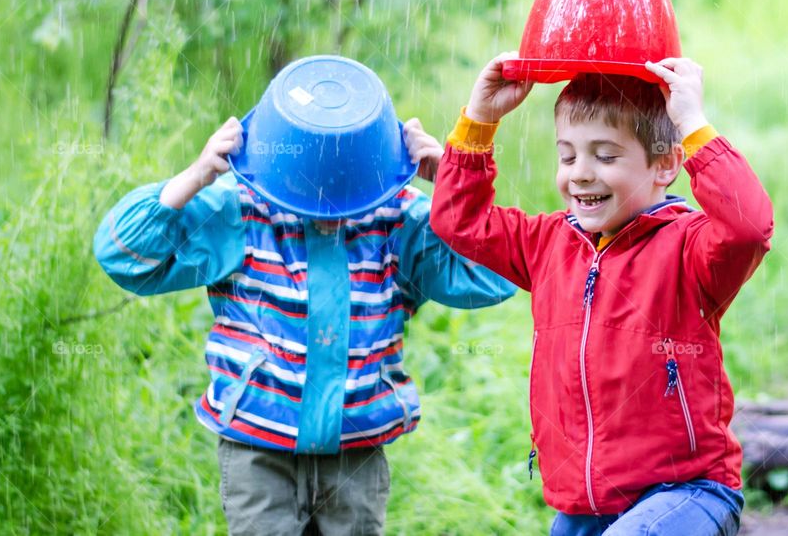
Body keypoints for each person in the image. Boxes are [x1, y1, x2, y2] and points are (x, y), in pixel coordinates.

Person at [94, 55, 516, 536]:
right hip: (259, 450)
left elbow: (498, 275)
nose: (330, 208)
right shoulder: (242, 210)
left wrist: (450, 189)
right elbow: (122, 254)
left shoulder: (397, 219)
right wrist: (195, 177)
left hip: (355, 457)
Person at [430, 52, 774, 535]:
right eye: (567, 155)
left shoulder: (690, 248)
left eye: (606, 155)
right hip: (584, 507)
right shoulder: (546, 243)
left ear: (666, 165)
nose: (581, 173)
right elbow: (459, 222)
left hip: (688, 491)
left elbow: (749, 227)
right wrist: (480, 120)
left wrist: (691, 122)